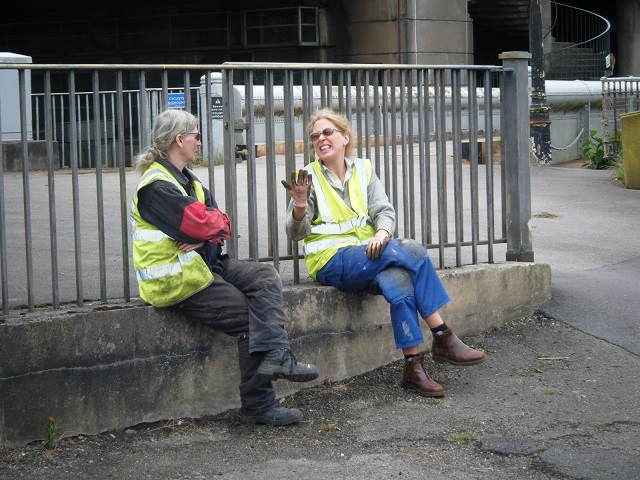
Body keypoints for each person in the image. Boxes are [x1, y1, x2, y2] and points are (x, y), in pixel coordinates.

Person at [131, 109, 319, 426]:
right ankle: (258, 405)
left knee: (265, 276)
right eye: (196, 135)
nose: (200, 142)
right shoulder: (156, 185)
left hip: (204, 263)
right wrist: (205, 229)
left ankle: (277, 356)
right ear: (180, 139)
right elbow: (202, 223)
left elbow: (220, 224)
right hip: (177, 279)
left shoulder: (189, 182)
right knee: (250, 316)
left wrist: (206, 231)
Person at [283, 107, 485, 397]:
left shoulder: (363, 169)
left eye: (327, 132)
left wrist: (382, 232)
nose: (320, 139)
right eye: (315, 136)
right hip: (331, 261)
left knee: (399, 282)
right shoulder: (307, 177)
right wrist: (300, 206)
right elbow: (294, 233)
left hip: (369, 254)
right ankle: (443, 335)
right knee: (412, 250)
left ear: (344, 137)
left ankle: (413, 368)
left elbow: (383, 210)